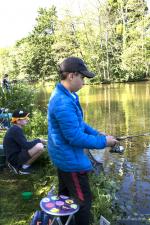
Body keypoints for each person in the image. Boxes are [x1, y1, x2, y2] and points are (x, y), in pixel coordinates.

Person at [47, 57, 118, 225]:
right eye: (82, 77)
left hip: (62, 157)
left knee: (64, 196)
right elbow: (75, 137)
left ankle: (64, 221)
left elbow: (79, 124)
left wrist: (97, 134)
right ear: (72, 76)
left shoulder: (66, 95)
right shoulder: (63, 102)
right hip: (71, 162)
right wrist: (104, 142)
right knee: (83, 202)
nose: (84, 82)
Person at [3, 109, 46, 175]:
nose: (27, 119)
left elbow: (23, 144)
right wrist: (39, 140)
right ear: (17, 121)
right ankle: (21, 168)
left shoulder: (15, 128)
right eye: (24, 118)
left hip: (13, 156)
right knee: (39, 146)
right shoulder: (16, 130)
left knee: (40, 148)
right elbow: (26, 145)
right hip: (14, 159)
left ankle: (24, 166)